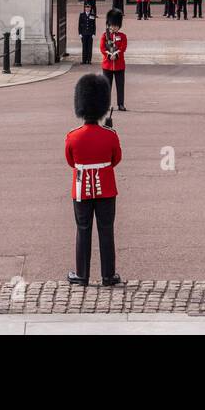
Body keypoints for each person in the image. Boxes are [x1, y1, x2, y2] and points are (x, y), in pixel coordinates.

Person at [65, 73, 123, 287]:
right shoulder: (110, 135)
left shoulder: (73, 136)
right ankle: (108, 275)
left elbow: (71, 161)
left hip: (81, 189)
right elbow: (116, 158)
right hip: (106, 189)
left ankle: (82, 274)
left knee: (83, 229)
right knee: (106, 230)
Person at [99, 8, 127, 126]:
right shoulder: (105, 36)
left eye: (116, 25)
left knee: (120, 85)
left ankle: (120, 104)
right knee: (107, 86)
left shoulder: (122, 36)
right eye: (112, 25)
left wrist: (116, 54)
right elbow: (102, 48)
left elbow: (123, 47)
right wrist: (109, 54)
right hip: (108, 64)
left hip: (119, 64)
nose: (114, 27)